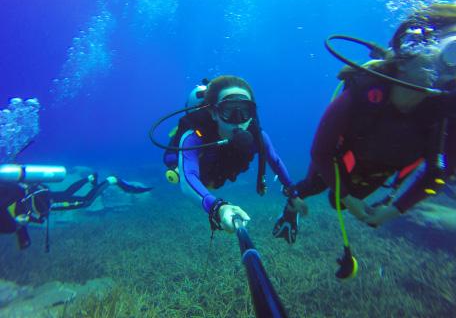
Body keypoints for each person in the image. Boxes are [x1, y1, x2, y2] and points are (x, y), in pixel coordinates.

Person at [273, 3, 456, 244]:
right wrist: (348, 198)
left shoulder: (448, 110)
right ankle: (290, 208)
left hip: (380, 170)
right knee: (315, 186)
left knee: (337, 204)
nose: (455, 72)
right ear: (410, 52)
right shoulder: (365, 91)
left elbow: (441, 172)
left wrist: (396, 209)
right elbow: (321, 151)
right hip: (340, 160)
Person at [161, 75, 294, 233]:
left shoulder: (258, 136)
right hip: (203, 173)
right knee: (177, 164)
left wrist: (293, 191)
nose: (238, 120)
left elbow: (275, 160)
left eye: (245, 111)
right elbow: (188, 176)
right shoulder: (193, 136)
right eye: (228, 110)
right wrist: (218, 208)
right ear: (213, 112)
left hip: (219, 174)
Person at [0, 173, 152, 250]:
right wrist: (22, 233)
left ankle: (111, 180)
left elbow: (13, 223)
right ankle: (89, 178)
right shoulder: (6, 189)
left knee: (86, 202)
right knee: (65, 194)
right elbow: (16, 219)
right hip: (37, 195)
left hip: (41, 202)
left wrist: (19, 227)